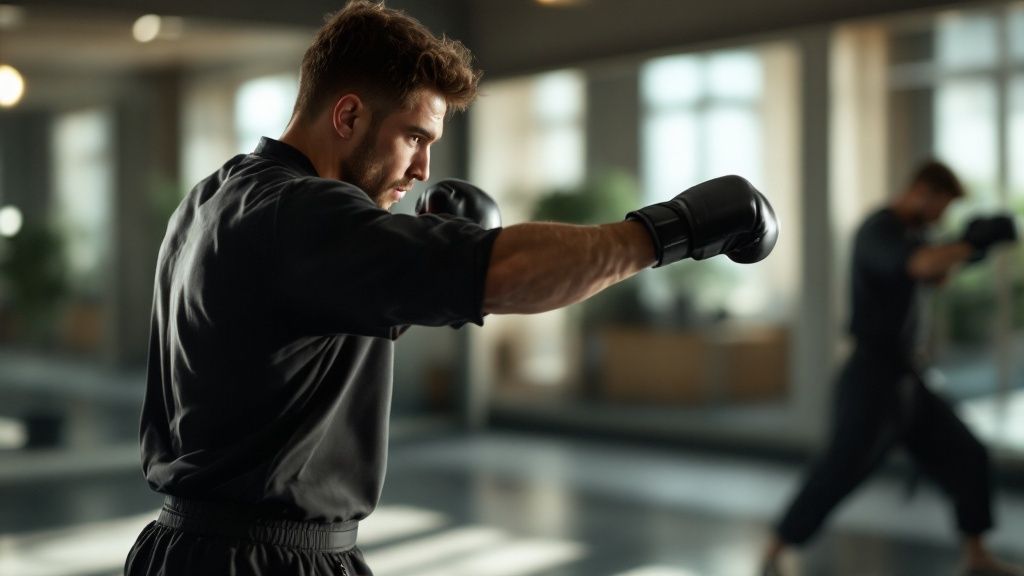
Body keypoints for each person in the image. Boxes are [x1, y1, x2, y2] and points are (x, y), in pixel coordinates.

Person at [124, 1, 779, 575]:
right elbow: (506, 274)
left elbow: (285, 350)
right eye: (414, 136)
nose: (424, 167)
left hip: (186, 545)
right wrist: (670, 231)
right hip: (264, 561)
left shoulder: (215, 195)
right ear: (348, 114)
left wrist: (416, 262)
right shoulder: (301, 215)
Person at [760, 160, 1020, 576]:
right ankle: (775, 548)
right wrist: (969, 244)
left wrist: (971, 249)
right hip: (871, 375)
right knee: (841, 468)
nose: (942, 217)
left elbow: (936, 273)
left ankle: (976, 557)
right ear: (922, 191)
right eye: (942, 206)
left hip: (908, 378)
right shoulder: (878, 230)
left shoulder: (917, 233)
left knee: (969, 454)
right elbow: (918, 265)